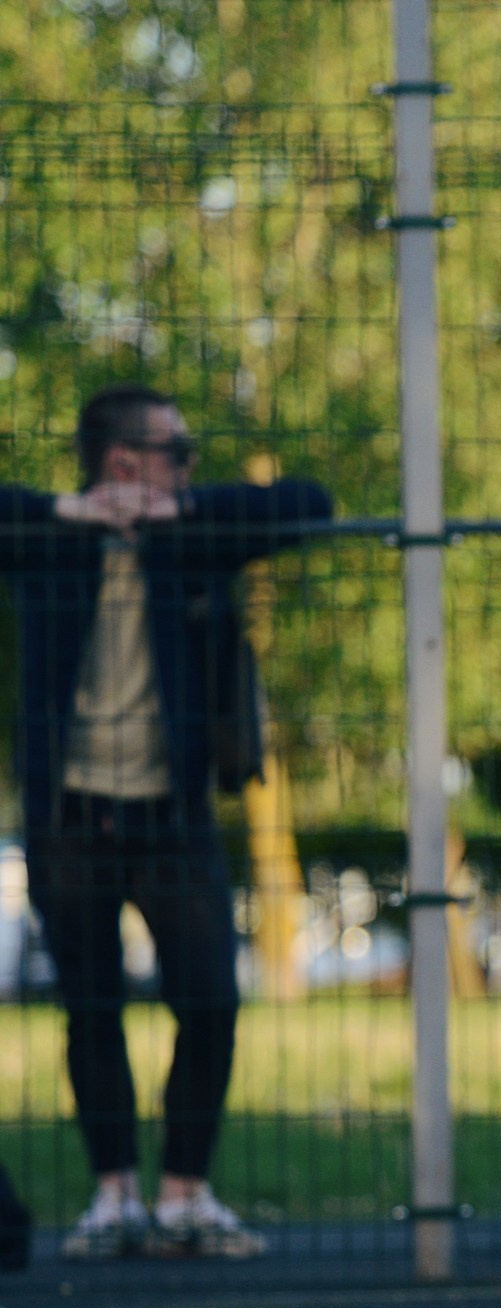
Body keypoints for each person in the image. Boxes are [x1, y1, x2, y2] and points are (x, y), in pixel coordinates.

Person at [0, 385, 333, 1260]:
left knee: (212, 999)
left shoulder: (193, 539)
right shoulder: (47, 542)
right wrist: (70, 509)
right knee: (91, 1005)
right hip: (72, 815)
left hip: (173, 814)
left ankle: (184, 1193)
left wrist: (177, 504)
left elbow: (308, 504)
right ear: (120, 461)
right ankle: (115, 1197)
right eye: (173, 452)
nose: (189, 462)